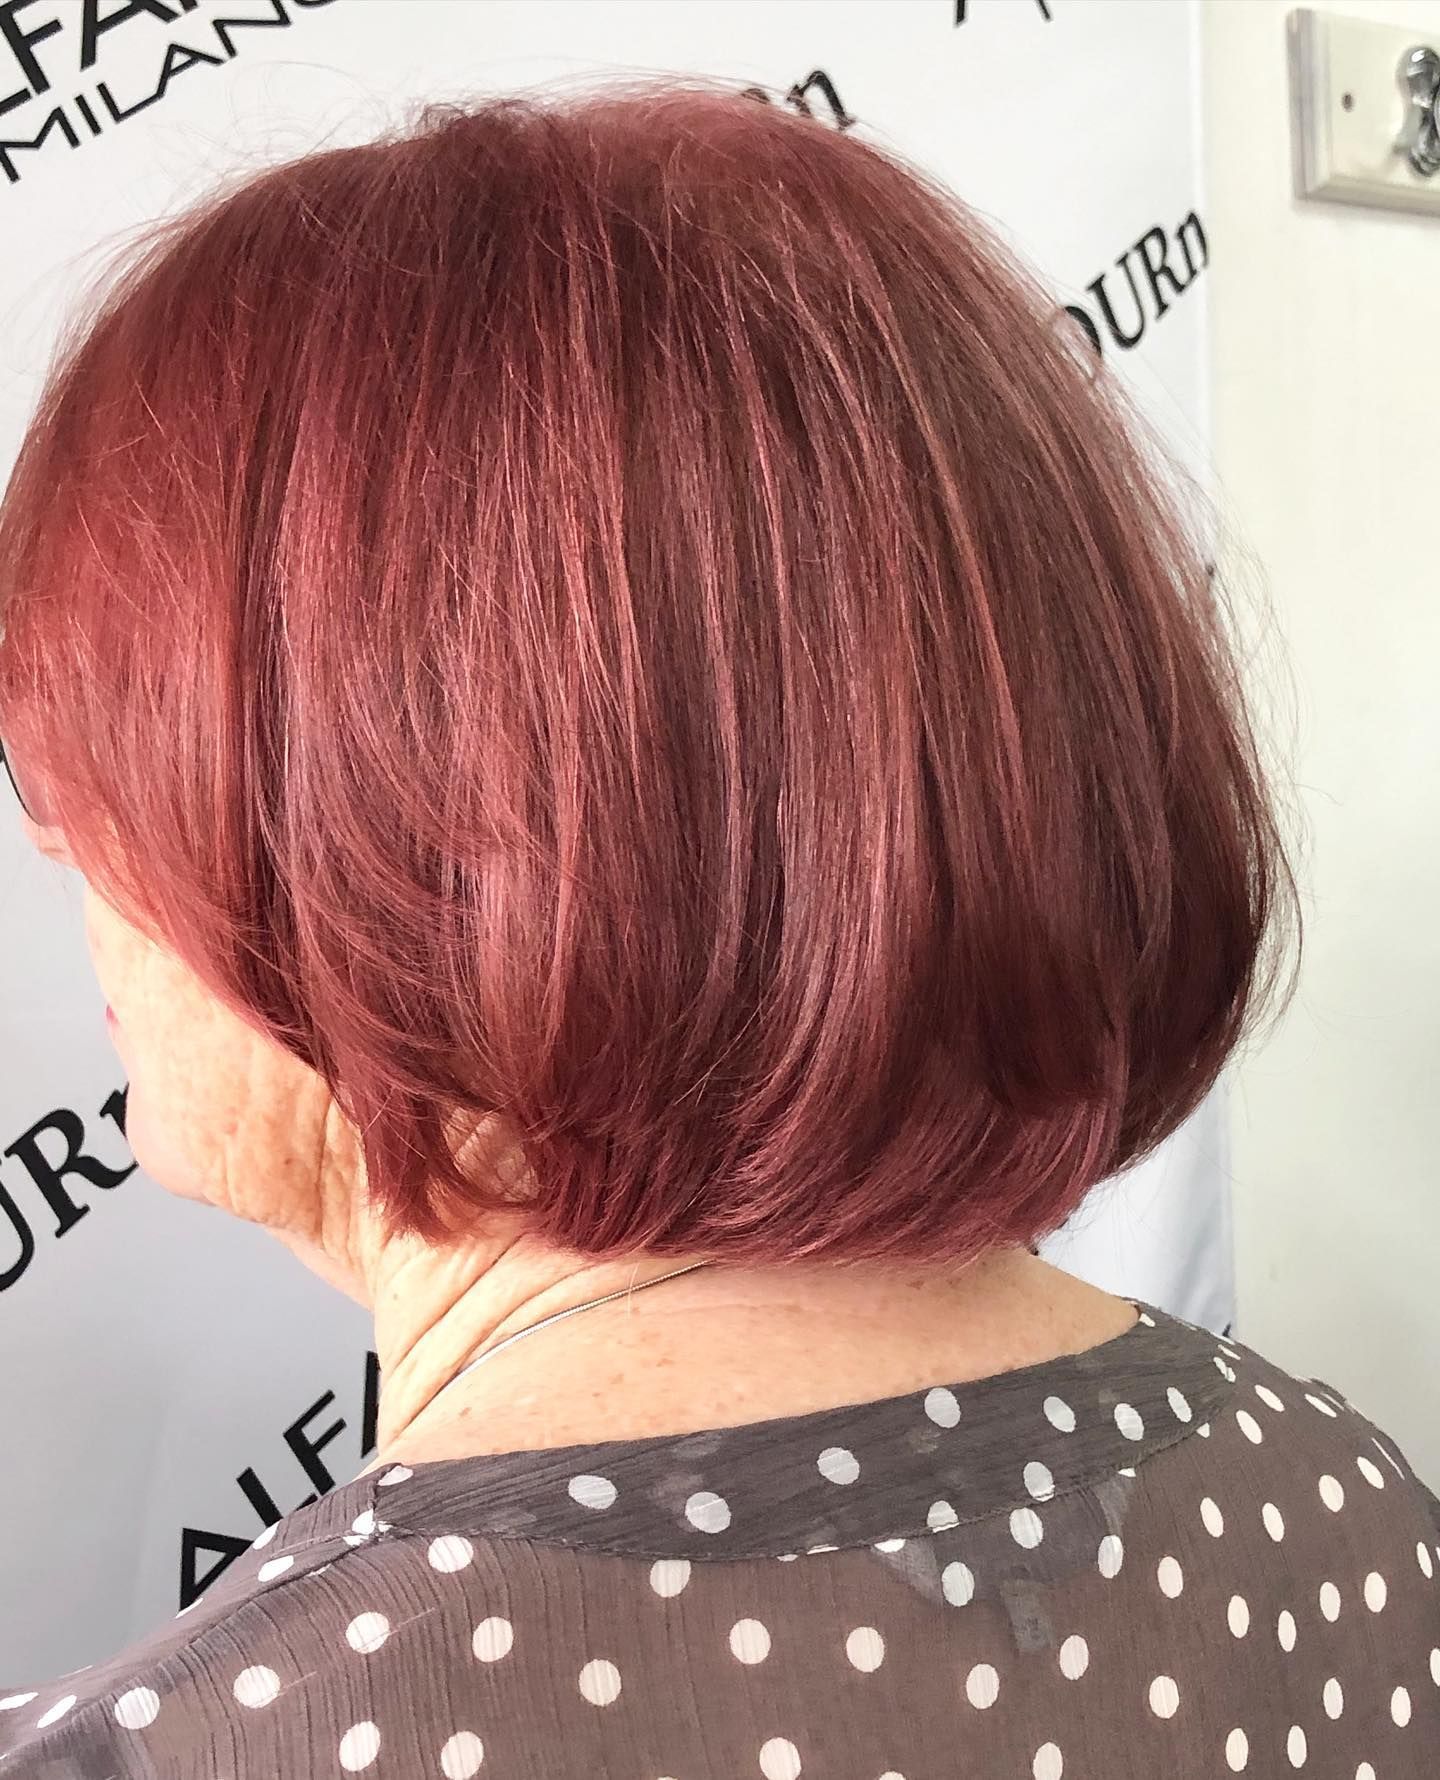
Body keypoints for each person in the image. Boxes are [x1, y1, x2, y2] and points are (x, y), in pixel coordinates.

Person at [0, 78, 1434, 1780]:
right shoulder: (1346, 1512)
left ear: (425, 839)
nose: (64, 853)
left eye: (93, 777)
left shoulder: (198, 1751)